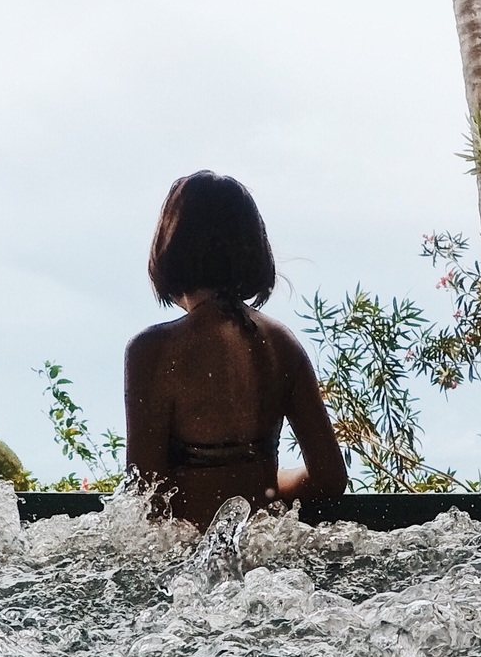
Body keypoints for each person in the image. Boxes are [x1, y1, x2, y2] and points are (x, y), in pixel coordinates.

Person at [125, 172, 349, 527]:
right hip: (263, 555)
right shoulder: (282, 344)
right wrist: (260, 489)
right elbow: (330, 478)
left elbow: (144, 497)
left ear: (170, 244)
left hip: (187, 560)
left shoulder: (154, 351)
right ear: (253, 248)